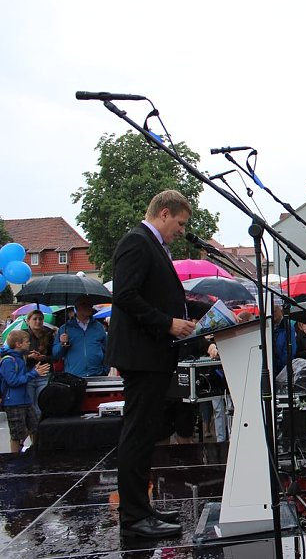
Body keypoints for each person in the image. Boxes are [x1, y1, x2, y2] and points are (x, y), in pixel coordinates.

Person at [107, 190, 196, 539]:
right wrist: (167, 323)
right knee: (137, 435)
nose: (181, 230)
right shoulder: (137, 242)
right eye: (180, 223)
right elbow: (125, 295)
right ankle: (133, 517)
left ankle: (142, 508)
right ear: (164, 213)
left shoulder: (152, 245)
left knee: (145, 435)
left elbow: (154, 294)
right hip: (141, 356)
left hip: (152, 355)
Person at [1, 330, 50, 453]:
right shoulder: (8, 361)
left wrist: (33, 370)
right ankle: (15, 458)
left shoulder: (21, 357)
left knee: (35, 426)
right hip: (13, 402)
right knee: (17, 434)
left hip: (25, 400)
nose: (29, 344)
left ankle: (35, 451)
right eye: (27, 341)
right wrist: (34, 373)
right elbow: (13, 381)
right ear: (18, 344)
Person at [53, 296, 108, 378]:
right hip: (74, 376)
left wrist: (105, 370)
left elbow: (107, 350)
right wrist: (62, 344)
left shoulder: (99, 327)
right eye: (84, 304)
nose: (88, 306)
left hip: (97, 375)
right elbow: (56, 354)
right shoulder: (65, 328)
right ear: (76, 307)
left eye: (90, 304)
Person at [24, 310, 54, 419]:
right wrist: (29, 356)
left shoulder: (48, 335)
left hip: (44, 374)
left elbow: (54, 357)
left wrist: (43, 357)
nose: (38, 321)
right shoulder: (23, 335)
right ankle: (32, 429)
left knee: (41, 406)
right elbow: (16, 354)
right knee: (30, 406)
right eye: (35, 319)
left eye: (40, 319)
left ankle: (39, 428)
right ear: (28, 321)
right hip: (28, 374)